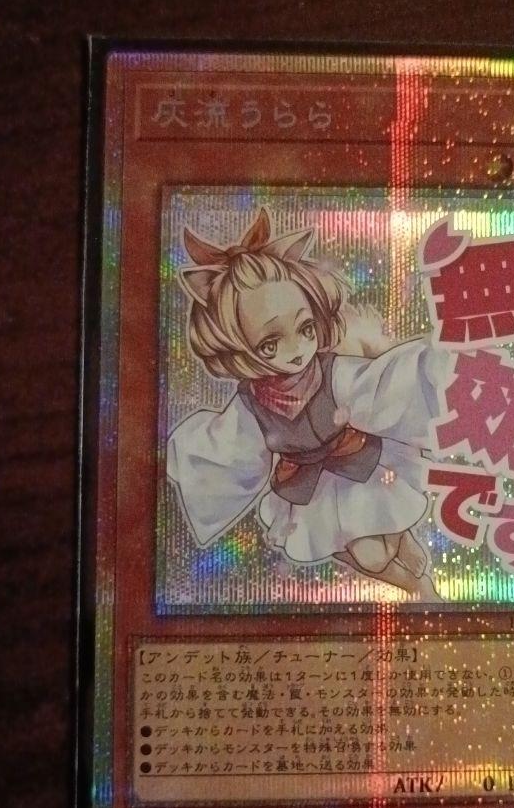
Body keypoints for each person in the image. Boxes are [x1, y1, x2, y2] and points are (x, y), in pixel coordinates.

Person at [167, 207, 451, 600]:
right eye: (270, 344)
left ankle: (405, 548)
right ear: (237, 349)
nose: (297, 350)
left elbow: (383, 388)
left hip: (362, 466)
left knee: (384, 532)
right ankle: (418, 587)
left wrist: (436, 369)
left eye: (305, 329)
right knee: (363, 554)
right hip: (309, 490)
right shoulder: (250, 405)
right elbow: (229, 452)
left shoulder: (333, 372)